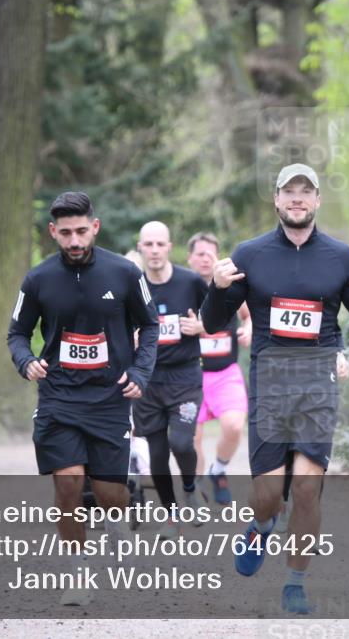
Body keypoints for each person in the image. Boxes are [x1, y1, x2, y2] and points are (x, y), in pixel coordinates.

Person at [201, 163, 349, 614]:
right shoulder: (250, 254)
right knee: (267, 496)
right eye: (290, 191)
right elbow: (212, 321)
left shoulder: (340, 257)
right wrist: (217, 287)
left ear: (318, 200)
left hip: (317, 382)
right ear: (277, 199)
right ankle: (262, 526)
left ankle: (296, 580)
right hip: (270, 382)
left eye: (307, 191)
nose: (298, 199)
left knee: (306, 488)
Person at [7, 191, 159, 606]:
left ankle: (116, 526)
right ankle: (79, 575)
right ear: (53, 232)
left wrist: (141, 372)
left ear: (95, 227)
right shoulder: (38, 279)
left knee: (110, 494)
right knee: (68, 484)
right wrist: (26, 362)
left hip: (110, 397)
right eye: (65, 233)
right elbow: (17, 333)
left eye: (81, 231)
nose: (74, 241)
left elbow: (150, 328)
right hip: (59, 396)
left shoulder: (125, 272)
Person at [135, 221, 209, 539]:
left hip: (185, 377)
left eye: (159, 244)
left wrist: (201, 327)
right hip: (148, 381)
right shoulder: (132, 285)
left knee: (181, 442)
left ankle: (191, 488)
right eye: (148, 244)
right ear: (140, 248)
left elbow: (221, 316)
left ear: (169, 246)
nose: (153, 250)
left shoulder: (191, 282)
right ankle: (171, 516)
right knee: (156, 455)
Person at [186, 232, 252, 504]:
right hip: (191, 374)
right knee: (192, 437)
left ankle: (219, 470)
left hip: (226, 373)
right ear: (190, 258)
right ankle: (197, 486)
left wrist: (248, 329)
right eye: (199, 254)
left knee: (235, 426)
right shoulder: (180, 287)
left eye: (210, 254)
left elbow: (248, 316)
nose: (205, 259)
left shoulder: (231, 285)